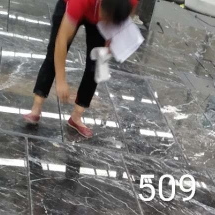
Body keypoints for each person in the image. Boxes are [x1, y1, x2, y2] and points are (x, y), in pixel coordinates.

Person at [23, 0, 137, 138]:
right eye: (106, 19)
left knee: (97, 64)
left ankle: (76, 117)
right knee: (53, 53)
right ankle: (36, 108)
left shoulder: (129, 2)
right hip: (72, 6)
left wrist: (112, 36)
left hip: (105, 10)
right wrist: (61, 79)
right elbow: (62, 40)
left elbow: (128, 14)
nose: (107, 23)